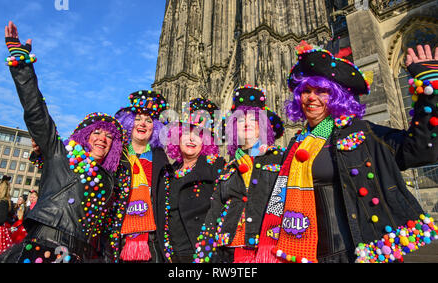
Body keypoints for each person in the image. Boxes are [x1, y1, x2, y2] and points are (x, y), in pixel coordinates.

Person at [255, 41, 438, 263]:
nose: (311, 97)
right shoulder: (297, 143)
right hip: (306, 252)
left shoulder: (362, 133)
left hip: (357, 251)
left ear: (336, 96)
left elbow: (419, 151)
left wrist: (428, 88)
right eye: (306, 91)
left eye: (322, 91)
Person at [0, 21, 127, 263]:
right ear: (85, 136)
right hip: (45, 245)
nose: (102, 139)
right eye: (97, 133)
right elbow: (36, 113)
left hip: (83, 255)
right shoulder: (60, 154)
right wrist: (22, 64)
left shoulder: (109, 179)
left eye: (109, 137)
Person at [194, 85, 286, 263]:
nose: (246, 123)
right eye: (240, 119)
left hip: (269, 249)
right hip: (228, 252)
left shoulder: (280, 159)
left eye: (254, 118)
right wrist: (201, 258)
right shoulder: (228, 170)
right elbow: (213, 216)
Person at [103, 90, 170, 263]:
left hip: (152, 241)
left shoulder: (163, 162)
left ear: (155, 128)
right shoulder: (114, 157)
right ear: (128, 123)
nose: (142, 124)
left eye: (149, 121)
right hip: (115, 239)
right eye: (138, 119)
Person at [156, 98, 226, 263]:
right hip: (171, 256)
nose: (191, 139)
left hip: (204, 254)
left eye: (199, 135)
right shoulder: (168, 173)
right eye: (186, 134)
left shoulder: (217, 168)